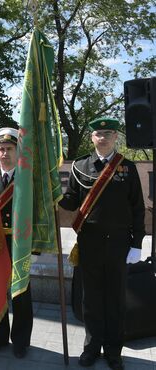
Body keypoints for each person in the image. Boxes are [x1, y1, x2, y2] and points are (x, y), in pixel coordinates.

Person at [59, 117, 145, 370]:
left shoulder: (127, 168)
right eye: (99, 133)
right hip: (90, 241)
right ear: (92, 138)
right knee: (92, 299)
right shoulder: (81, 165)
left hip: (119, 243)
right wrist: (52, 193)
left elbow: (137, 208)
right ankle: (91, 348)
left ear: (116, 137)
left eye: (108, 133)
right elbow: (71, 202)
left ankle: (114, 352)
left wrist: (137, 243)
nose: (103, 137)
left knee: (115, 299)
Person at [0, 127, 33, 359]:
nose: (4, 153)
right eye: (1, 149)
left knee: (20, 292)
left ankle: (21, 341)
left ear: (17, 151)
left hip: (18, 242)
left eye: (9, 149)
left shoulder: (26, 178)